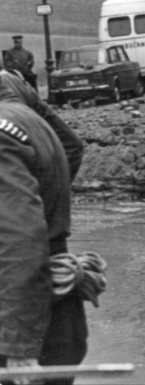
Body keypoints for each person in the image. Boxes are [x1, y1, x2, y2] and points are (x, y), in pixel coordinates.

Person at [0, 99, 88, 384]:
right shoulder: (21, 114)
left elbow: (22, 242)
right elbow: (73, 147)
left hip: (24, 330)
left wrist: (19, 347)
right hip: (57, 315)